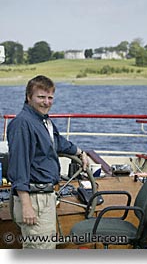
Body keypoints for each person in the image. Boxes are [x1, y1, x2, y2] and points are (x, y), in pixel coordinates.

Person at [7, 75, 89, 249]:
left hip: (46, 196)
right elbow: (19, 167)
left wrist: (80, 152)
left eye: (50, 97)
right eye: (41, 97)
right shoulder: (23, 123)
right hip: (33, 198)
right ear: (29, 97)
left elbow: (58, 142)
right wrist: (26, 205)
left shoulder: (44, 121)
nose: (46, 102)